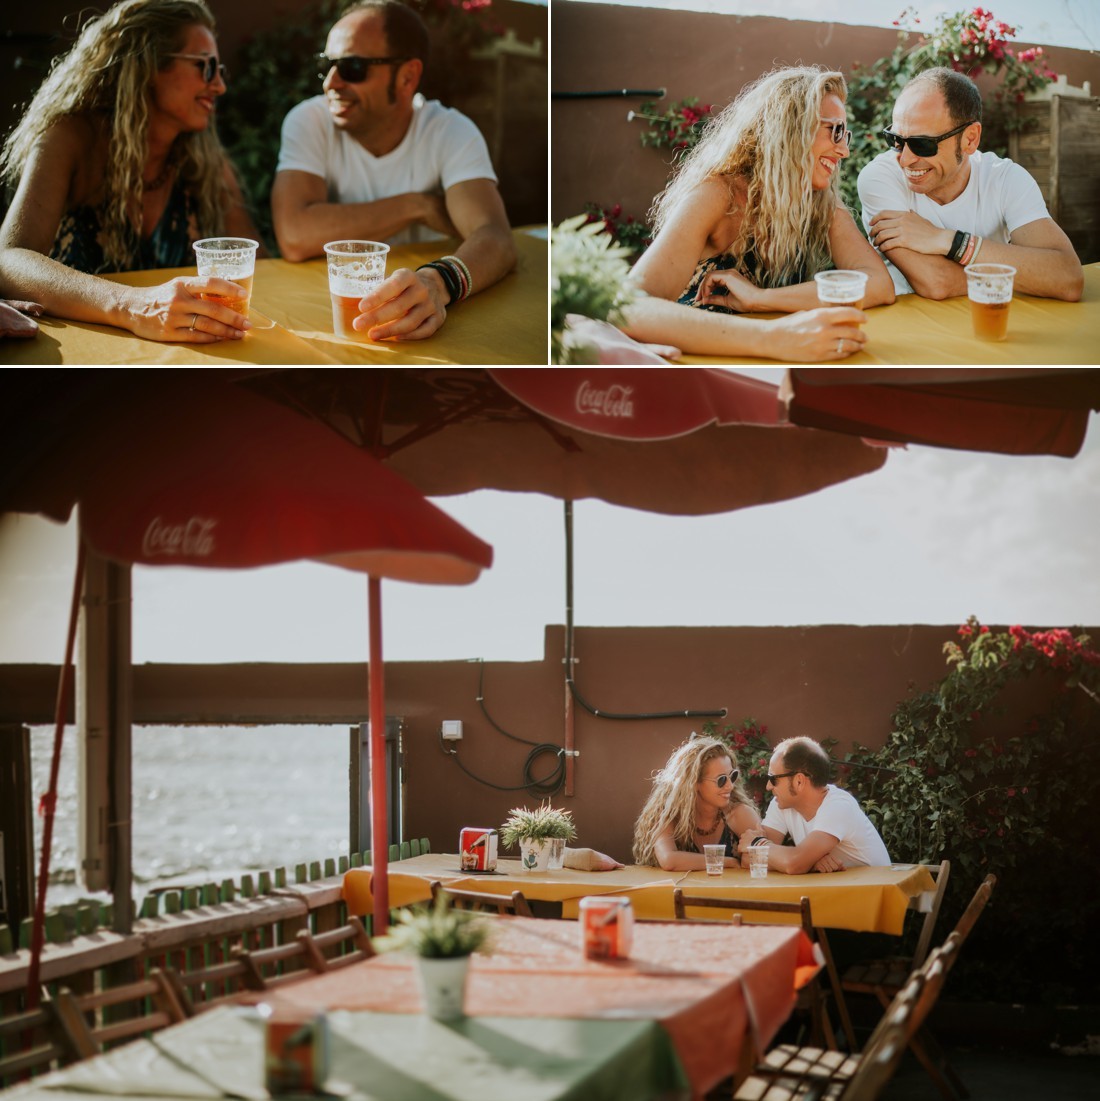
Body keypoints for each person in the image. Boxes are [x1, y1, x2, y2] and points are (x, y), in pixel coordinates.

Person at [0, 0, 264, 343]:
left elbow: (260, 264)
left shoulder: (205, 162)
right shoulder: (70, 138)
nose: (219, 86)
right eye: (206, 66)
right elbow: (8, 260)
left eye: (220, 71)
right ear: (148, 64)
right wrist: (131, 304)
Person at [271, 0, 515, 342]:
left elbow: (496, 238)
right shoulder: (309, 121)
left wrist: (438, 281)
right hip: (337, 323)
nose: (331, 83)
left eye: (353, 67)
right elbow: (295, 235)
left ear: (407, 76)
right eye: (326, 65)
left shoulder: (449, 131)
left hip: (439, 328)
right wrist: (418, 205)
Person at [620, 66, 894, 362]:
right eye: (835, 131)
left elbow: (878, 285)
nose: (844, 152)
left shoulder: (820, 203)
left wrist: (761, 300)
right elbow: (630, 306)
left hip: (779, 365)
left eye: (846, 135)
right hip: (703, 367)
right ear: (791, 128)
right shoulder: (717, 195)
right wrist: (774, 338)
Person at [859, 67, 1083, 301]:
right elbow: (937, 282)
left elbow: (1068, 278)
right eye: (895, 140)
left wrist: (947, 240)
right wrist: (1022, 276)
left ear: (970, 139)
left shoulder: (1005, 179)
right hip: (912, 328)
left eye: (922, 144)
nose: (904, 159)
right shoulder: (880, 177)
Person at [738, 736, 890, 873]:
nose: (768, 787)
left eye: (773, 779)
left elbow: (793, 864)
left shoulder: (838, 806)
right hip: (839, 893)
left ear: (799, 781)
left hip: (873, 895)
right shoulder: (781, 803)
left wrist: (757, 843)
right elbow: (747, 860)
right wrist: (810, 863)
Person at [633, 734, 761, 871]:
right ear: (694, 783)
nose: (730, 786)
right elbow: (669, 859)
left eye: (733, 776)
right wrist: (728, 862)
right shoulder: (669, 814)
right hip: (682, 891)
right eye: (721, 780)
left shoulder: (739, 814)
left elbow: (761, 856)